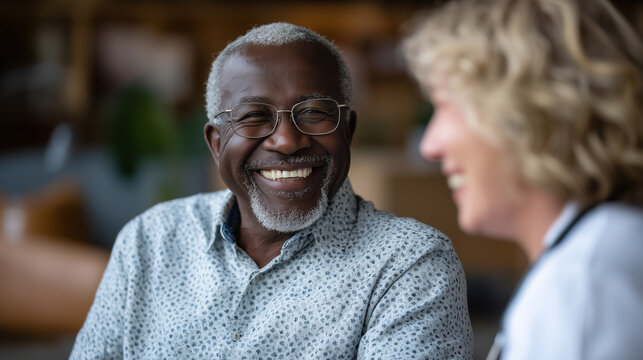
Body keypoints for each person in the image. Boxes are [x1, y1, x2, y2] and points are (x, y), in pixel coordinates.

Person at [71, 22, 473, 359]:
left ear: (347, 131)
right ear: (215, 142)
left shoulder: (409, 265)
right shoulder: (151, 240)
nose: (286, 140)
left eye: (314, 113)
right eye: (253, 116)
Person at [403, 0, 643, 359]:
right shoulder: (607, 251)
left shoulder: (579, 286)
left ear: (530, 110)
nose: (429, 145)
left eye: (446, 104)